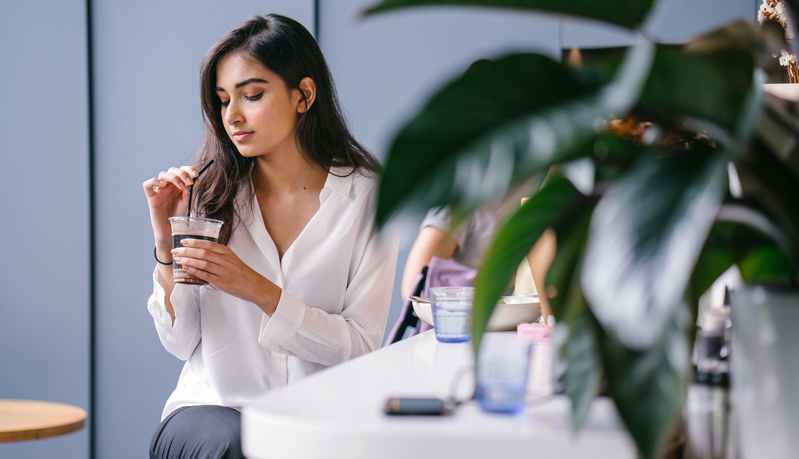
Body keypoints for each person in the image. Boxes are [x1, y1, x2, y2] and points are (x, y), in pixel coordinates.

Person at [142, 14, 398, 459]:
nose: (232, 116)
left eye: (252, 95)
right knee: (239, 444)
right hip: (211, 412)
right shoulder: (206, 195)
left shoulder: (368, 199)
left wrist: (260, 291)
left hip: (317, 420)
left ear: (304, 95)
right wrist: (166, 246)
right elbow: (179, 343)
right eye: (223, 101)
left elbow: (360, 347)